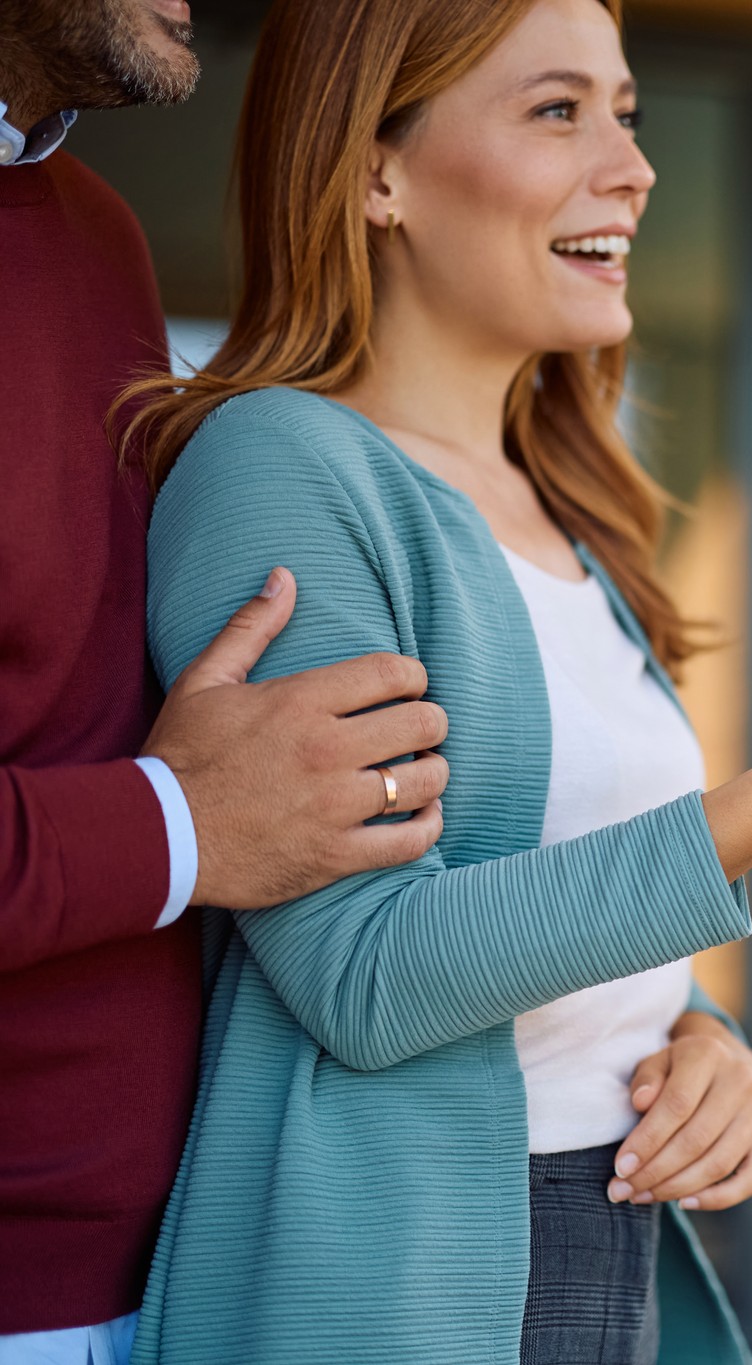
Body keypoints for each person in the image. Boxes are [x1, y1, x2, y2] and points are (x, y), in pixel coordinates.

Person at [118, 1, 752, 1362]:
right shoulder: (283, 469)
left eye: (625, 111)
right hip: (403, 1281)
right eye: (557, 109)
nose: (634, 165)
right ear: (375, 171)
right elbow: (365, 971)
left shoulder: (572, 518)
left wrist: (698, 1038)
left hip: (602, 1243)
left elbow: (548, 897)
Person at [0, 2, 460, 1360]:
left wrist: (687, 1020)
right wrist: (181, 824)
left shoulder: (93, 235)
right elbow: (194, 812)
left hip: (174, 1263)